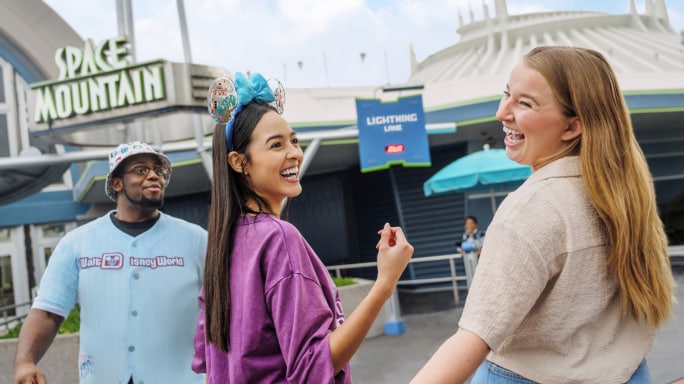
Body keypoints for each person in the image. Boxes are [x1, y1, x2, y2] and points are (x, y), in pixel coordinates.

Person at [411, 46, 675, 384]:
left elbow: (473, 338)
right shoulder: (624, 195)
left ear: (571, 127)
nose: (501, 112)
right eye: (507, 94)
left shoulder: (531, 208)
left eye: (525, 103)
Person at [192, 72, 414, 383]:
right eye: (276, 145)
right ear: (239, 162)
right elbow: (313, 367)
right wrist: (385, 283)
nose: (294, 153)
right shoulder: (278, 238)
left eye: (294, 141)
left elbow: (208, 361)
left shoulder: (223, 245)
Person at [13, 141, 208, 384]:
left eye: (159, 171)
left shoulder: (197, 240)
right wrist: (25, 362)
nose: (153, 176)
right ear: (117, 183)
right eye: (141, 170)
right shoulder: (76, 243)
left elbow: (224, 309)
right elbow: (47, 313)